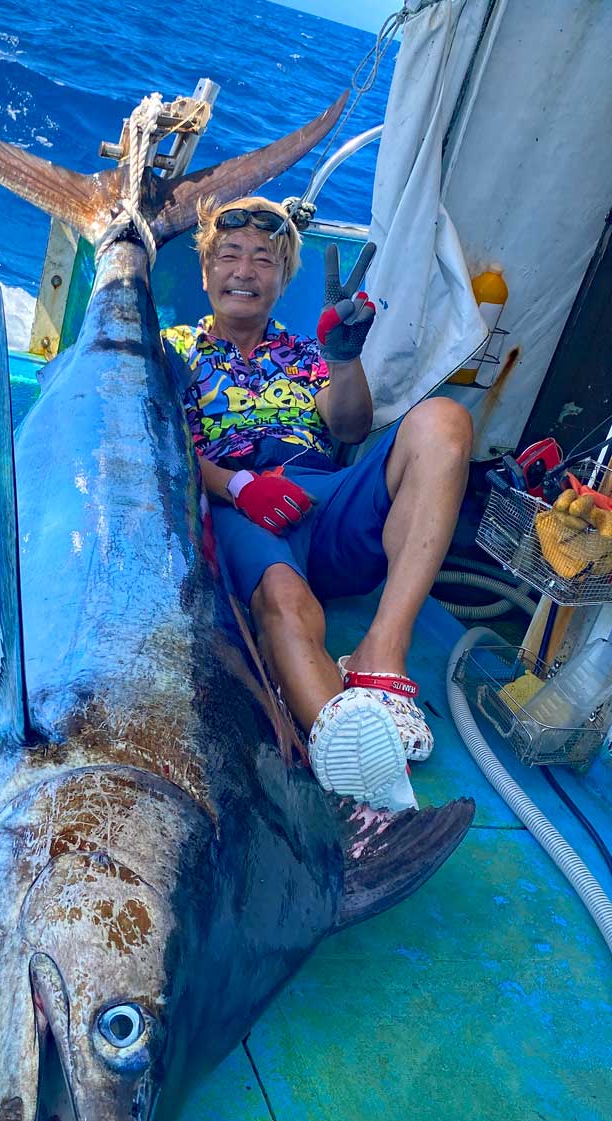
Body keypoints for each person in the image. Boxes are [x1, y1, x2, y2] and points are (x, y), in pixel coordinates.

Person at [163, 196, 473, 812]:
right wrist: (237, 485)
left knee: (444, 421)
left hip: (322, 496)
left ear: (282, 279)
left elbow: (351, 426)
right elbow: (158, 442)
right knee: (284, 598)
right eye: (229, 256)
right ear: (205, 274)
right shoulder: (173, 349)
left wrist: (344, 356)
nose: (245, 271)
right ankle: (352, 757)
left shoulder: (304, 353)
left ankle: (381, 653)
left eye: (264, 260)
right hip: (236, 503)